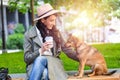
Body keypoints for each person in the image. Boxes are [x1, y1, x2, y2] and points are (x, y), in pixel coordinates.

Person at [23, 3, 68, 80]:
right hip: (35, 66)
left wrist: (88, 60)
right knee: (45, 73)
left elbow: (68, 49)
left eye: (54, 20)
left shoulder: (56, 32)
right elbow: (27, 59)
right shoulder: (29, 34)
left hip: (53, 63)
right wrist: (41, 50)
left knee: (41, 59)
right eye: (51, 21)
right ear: (43, 20)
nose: (54, 23)